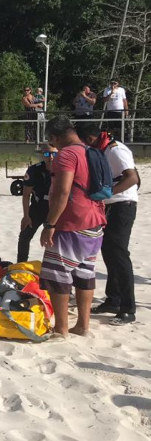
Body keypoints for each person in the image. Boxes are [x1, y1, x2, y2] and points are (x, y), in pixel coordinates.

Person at [39, 116, 107, 338]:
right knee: (84, 273)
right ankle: (83, 326)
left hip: (72, 223)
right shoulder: (90, 151)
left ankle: (61, 329)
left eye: (52, 141)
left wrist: (50, 224)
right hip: (95, 221)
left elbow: (63, 191)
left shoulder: (67, 154)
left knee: (58, 276)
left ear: (55, 137)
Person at [77, 123, 140, 326]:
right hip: (110, 206)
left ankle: (128, 308)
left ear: (89, 139)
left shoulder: (116, 150)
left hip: (123, 206)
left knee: (119, 254)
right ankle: (113, 299)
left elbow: (133, 178)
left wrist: (106, 195)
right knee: (108, 252)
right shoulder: (101, 149)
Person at [17, 144, 57, 262]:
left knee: (55, 239)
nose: (50, 157)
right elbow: (26, 195)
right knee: (24, 235)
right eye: (47, 154)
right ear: (42, 155)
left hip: (55, 209)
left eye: (54, 153)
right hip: (38, 207)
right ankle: (21, 264)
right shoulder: (34, 170)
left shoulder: (63, 169)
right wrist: (26, 215)